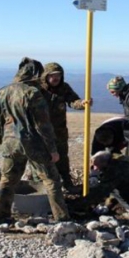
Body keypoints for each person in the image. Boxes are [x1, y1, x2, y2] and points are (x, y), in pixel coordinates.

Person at [0, 57, 70, 224]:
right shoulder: (32, 93)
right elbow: (43, 125)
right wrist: (53, 149)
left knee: (8, 179)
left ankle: (0, 217)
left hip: (10, 142)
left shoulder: (3, 91)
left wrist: (2, 140)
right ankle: (62, 220)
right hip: (32, 143)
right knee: (51, 180)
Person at [38, 62, 90, 191]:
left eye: (58, 75)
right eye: (52, 75)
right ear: (45, 76)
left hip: (59, 131)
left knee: (62, 158)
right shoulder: (38, 89)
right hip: (41, 132)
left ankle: (67, 183)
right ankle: (43, 187)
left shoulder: (64, 88)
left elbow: (73, 101)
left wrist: (82, 104)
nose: (55, 78)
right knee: (43, 160)